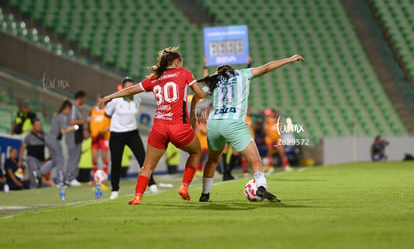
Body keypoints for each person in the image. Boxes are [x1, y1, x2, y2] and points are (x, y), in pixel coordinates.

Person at [100, 46, 207, 205]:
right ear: (177, 62)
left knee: (147, 166)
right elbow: (201, 95)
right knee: (196, 151)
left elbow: (130, 90)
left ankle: (137, 196)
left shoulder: (155, 78)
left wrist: (109, 97)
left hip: (159, 128)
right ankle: (184, 186)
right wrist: (207, 87)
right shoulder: (184, 73)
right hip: (179, 127)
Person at [193, 54, 304, 202]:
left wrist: (192, 113)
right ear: (232, 69)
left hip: (214, 123)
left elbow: (198, 94)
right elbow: (267, 67)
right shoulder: (242, 74)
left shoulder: (216, 81)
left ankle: (205, 195)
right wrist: (290, 59)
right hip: (233, 123)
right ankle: (261, 187)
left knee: (212, 161)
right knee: (255, 160)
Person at [103, 76, 157, 200]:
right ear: (122, 88)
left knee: (143, 159)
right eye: (127, 87)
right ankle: (115, 189)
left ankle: (152, 183)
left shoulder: (137, 99)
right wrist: (119, 124)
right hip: (117, 134)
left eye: (131, 87)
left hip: (132, 133)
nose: (129, 90)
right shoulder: (115, 100)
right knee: (116, 162)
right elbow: (107, 114)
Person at [34, 100, 78, 186]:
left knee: (54, 160)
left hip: (49, 139)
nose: (70, 112)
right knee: (60, 160)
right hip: (54, 140)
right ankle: (61, 181)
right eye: (70, 110)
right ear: (67, 108)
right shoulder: (62, 117)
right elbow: (63, 131)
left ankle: (39, 173)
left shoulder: (57, 115)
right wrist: (73, 128)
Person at [66, 90, 88, 187]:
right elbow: (72, 121)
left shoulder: (75, 108)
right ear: (81, 98)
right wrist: (85, 120)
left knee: (74, 158)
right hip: (74, 136)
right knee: (74, 158)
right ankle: (70, 178)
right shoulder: (73, 107)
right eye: (84, 99)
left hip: (75, 136)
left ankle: (70, 178)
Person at [18, 118, 47, 188]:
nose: (39, 126)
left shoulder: (44, 135)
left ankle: (37, 187)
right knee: (34, 172)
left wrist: (48, 158)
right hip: (31, 158)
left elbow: (49, 146)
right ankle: (33, 187)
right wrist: (20, 160)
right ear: (33, 126)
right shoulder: (29, 136)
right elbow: (22, 148)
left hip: (41, 160)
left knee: (40, 176)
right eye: (37, 125)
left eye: (40, 124)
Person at [89, 95, 110, 178]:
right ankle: (95, 178)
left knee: (104, 157)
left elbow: (110, 124)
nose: (100, 103)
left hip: (104, 136)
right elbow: (90, 121)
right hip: (95, 137)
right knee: (94, 158)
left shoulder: (107, 111)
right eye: (98, 101)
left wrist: (105, 130)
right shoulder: (93, 110)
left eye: (101, 101)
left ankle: (104, 177)